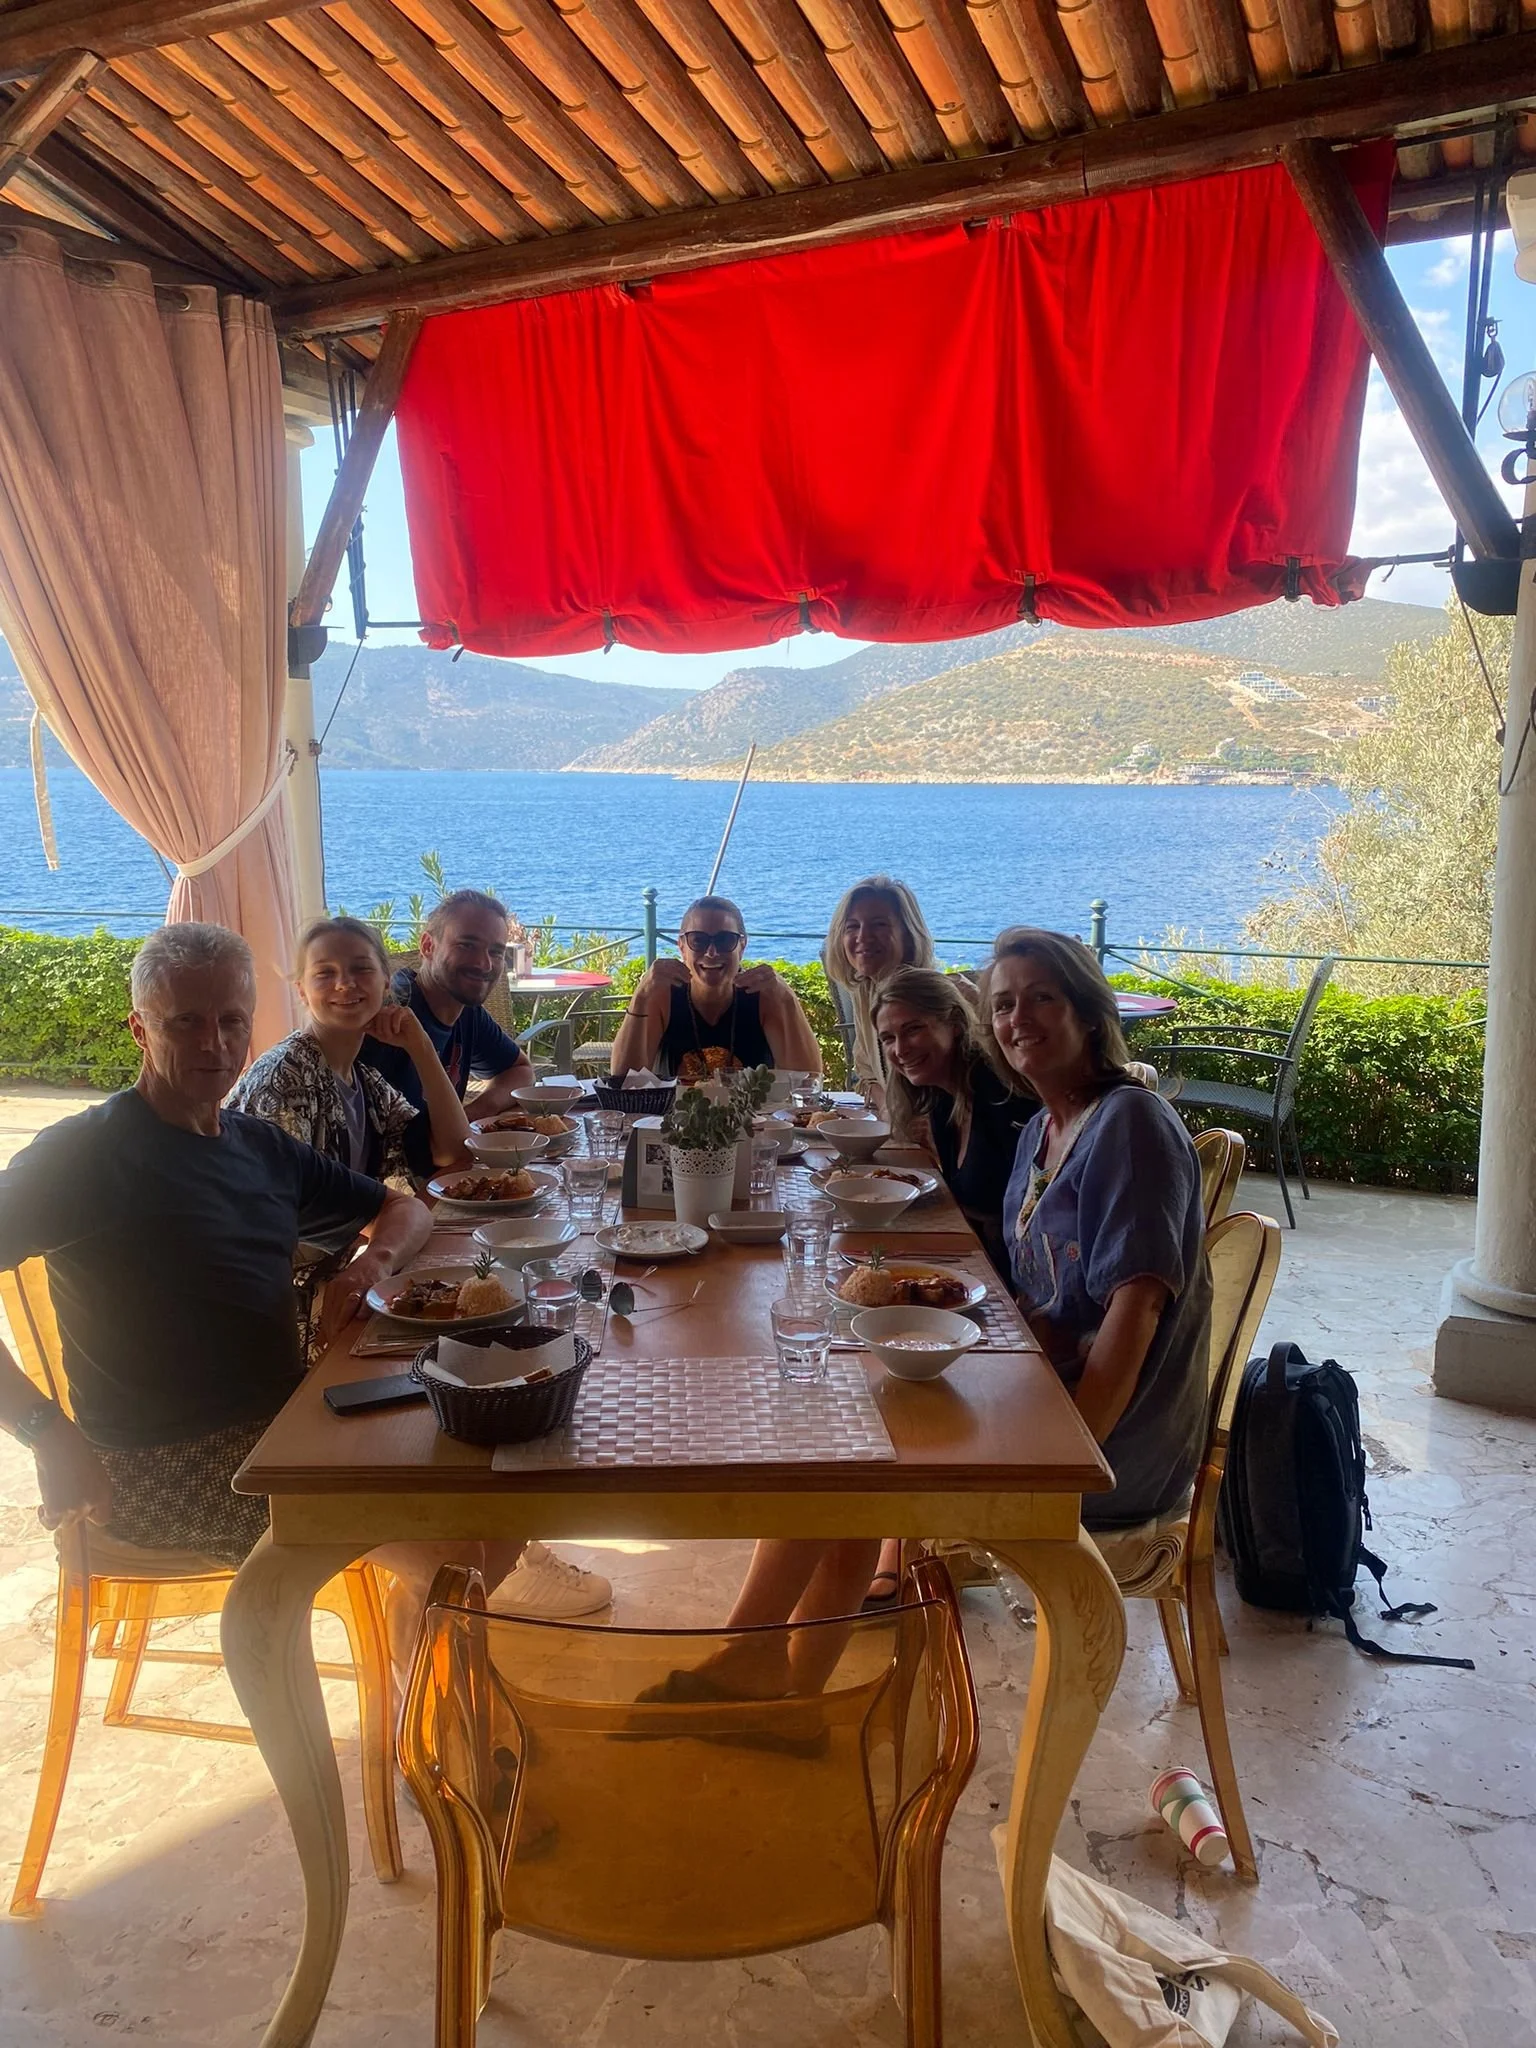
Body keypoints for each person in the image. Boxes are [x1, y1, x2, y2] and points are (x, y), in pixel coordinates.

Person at [0, 923, 438, 1574]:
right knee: (442, 1536)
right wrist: (45, 1433)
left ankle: (428, 1666)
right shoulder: (86, 1156)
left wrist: (371, 1262)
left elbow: (402, 1209)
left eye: (233, 1020)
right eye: (185, 1023)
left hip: (282, 1422)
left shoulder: (257, 1146)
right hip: (153, 1468)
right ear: (140, 1031)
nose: (216, 1043)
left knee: (460, 1449)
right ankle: (422, 1661)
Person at [984, 927, 1211, 1531]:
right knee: (870, 1400)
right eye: (1003, 1004)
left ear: (1088, 1013)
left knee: (879, 1455)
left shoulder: (1130, 1122)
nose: (1017, 1017)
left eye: (1042, 998)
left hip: (1113, 1447)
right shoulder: (1040, 1130)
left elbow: (1136, 1312)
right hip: (1045, 1390)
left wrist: (1070, 1460)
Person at [228, 916, 471, 1181]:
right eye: (325, 973)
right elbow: (281, 1205)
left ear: (386, 982)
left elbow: (454, 1152)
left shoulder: (367, 1085)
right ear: (302, 991)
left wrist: (422, 1048)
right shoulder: (285, 1077)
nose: (345, 983)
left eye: (361, 969)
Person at [874, 965, 1036, 1278]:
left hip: (1009, 1281)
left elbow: (1029, 1216)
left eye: (913, 1029)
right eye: (888, 1038)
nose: (900, 1049)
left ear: (955, 1023)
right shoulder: (942, 1095)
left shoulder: (1002, 1095)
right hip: (974, 1262)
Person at [361, 890, 536, 1171]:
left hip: (444, 1175)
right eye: (467, 945)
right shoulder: (391, 1020)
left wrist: (468, 1115)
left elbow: (520, 1070)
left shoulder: (466, 1012)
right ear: (428, 946)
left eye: (496, 952)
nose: (484, 964)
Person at [612, 895, 823, 1082]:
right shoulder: (663, 996)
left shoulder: (763, 997)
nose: (711, 952)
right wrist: (641, 995)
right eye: (698, 940)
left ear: (742, 945)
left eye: (724, 940)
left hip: (752, 1123)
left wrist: (786, 997)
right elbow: (622, 1080)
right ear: (682, 946)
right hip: (675, 1121)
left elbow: (808, 1081)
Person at [822, 877, 936, 1106]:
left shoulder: (930, 1000)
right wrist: (889, 1110)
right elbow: (866, 1074)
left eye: (879, 924)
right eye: (852, 926)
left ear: (908, 934)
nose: (863, 937)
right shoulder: (866, 991)